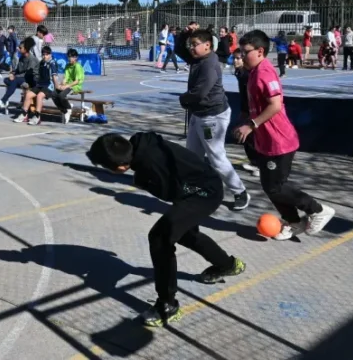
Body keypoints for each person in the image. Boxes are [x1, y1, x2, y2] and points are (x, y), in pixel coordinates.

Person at [86, 132, 246, 327]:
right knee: (186, 234)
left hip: (203, 194)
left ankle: (167, 305)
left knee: (160, 238)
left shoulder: (151, 167)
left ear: (121, 167)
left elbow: (168, 192)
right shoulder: (140, 143)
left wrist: (144, 181)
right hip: (198, 186)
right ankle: (227, 265)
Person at [233, 30, 335, 240]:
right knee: (271, 186)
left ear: (260, 51)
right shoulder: (253, 72)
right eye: (240, 52)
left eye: (245, 52)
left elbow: (275, 105)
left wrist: (251, 125)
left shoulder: (265, 73)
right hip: (265, 141)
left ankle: (317, 209)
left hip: (280, 141)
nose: (242, 56)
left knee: (276, 187)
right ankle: (294, 222)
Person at [178, 29, 250, 211]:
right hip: (198, 114)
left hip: (212, 116)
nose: (191, 48)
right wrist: (185, 35)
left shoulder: (209, 64)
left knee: (216, 157)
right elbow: (179, 50)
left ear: (207, 45)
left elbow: (201, 92)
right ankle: (196, 188)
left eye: (195, 44)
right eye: (191, 45)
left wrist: (184, 99)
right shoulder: (198, 58)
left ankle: (240, 192)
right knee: (192, 156)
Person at [232, 49, 259, 176]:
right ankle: (255, 163)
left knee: (250, 137)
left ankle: (258, 165)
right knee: (247, 138)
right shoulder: (240, 72)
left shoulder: (248, 74)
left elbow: (252, 95)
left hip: (253, 110)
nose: (235, 61)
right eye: (234, 58)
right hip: (246, 108)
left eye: (238, 58)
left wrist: (249, 111)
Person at [17, 45, 57, 125]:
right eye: (43, 54)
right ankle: (24, 115)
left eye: (46, 54)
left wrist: (57, 88)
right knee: (28, 94)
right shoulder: (41, 63)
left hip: (49, 86)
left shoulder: (53, 63)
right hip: (40, 85)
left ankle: (37, 116)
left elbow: (54, 77)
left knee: (39, 96)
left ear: (50, 55)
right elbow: (38, 75)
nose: (44, 56)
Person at [1, 39, 39, 115]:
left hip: (31, 79)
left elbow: (28, 73)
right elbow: (18, 70)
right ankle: (3, 101)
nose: (18, 48)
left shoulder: (32, 59)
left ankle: (3, 101)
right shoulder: (21, 57)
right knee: (6, 80)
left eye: (20, 47)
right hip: (22, 78)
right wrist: (12, 74)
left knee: (14, 81)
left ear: (26, 49)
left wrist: (15, 76)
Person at [50, 48, 84, 124]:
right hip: (68, 84)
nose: (69, 58)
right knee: (53, 94)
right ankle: (65, 110)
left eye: (71, 57)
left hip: (75, 86)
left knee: (61, 96)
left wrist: (66, 86)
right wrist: (61, 84)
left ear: (76, 57)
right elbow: (66, 77)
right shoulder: (67, 65)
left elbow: (77, 81)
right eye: (68, 56)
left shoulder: (77, 66)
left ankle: (68, 108)